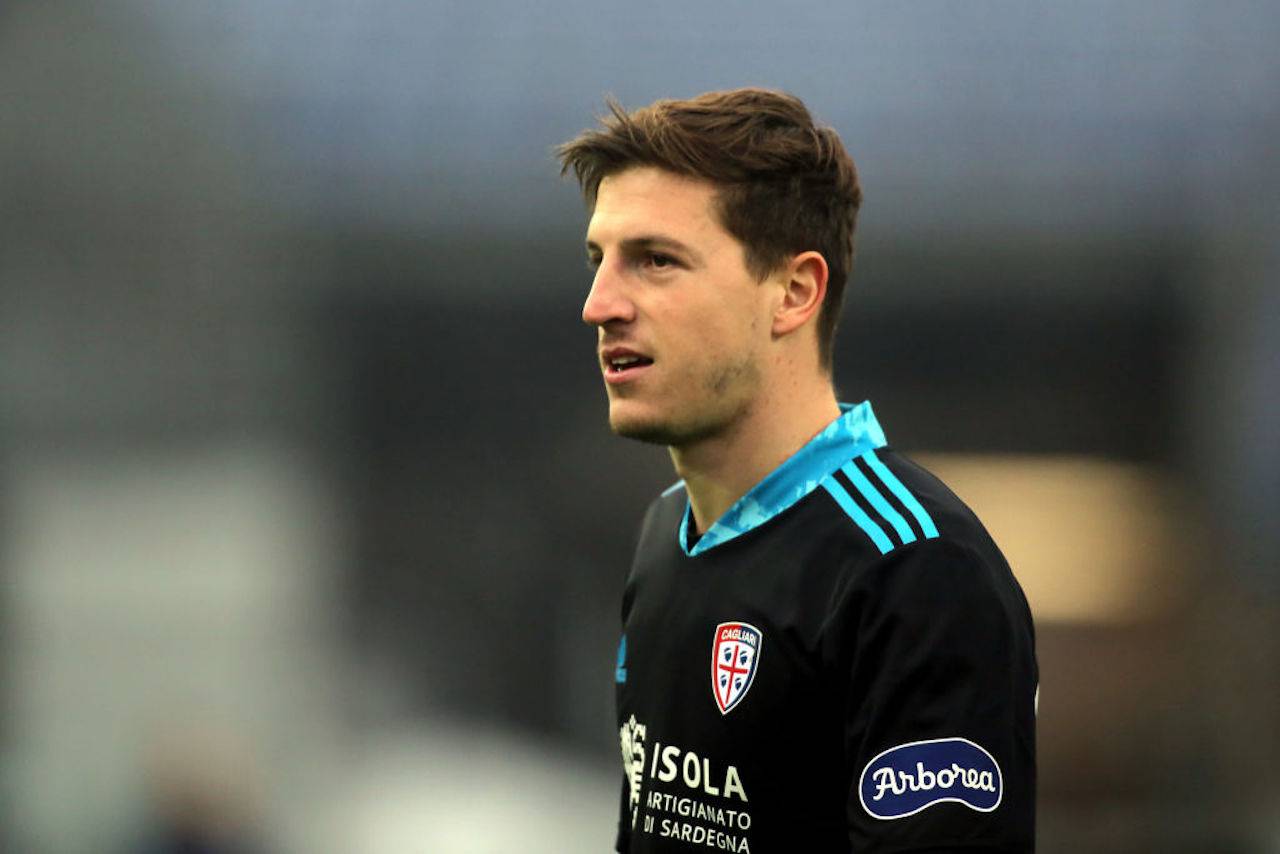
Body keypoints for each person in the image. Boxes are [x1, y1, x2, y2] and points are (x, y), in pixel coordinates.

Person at [557, 88, 1037, 854]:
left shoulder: (917, 571)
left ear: (794, 292)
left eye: (655, 260)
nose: (599, 304)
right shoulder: (664, 533)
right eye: (599, 261)